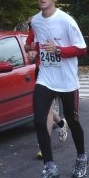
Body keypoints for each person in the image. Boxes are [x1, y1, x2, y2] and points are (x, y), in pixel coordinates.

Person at [28, 0, 88, 178]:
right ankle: (49, 167)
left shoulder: (66, 21)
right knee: (38, 120)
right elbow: (37, 41)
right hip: (46, 77)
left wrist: (59, 50)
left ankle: (81, 157)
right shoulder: (35, 21)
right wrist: (34, 51)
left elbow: (82, 49)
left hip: (67, 80)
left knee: (72, 121)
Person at [25, 23, 69, 152]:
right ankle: (61, 123)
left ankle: (44, 146)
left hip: (56, 71)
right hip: (41, 71)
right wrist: (31, 49)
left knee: (47, 110)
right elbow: (27, 46)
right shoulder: (36, 27)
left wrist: (57, 49)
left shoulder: (59, 26)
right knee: (45, 108)